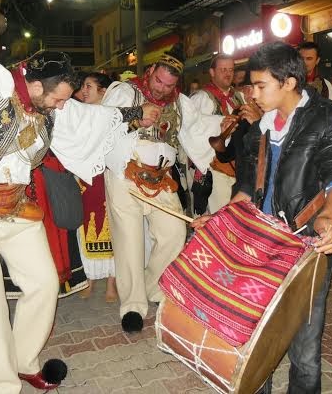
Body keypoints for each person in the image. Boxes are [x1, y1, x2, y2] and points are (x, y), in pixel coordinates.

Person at [0, 8, 160, 393]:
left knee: (44, 284)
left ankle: (23, 359)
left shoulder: (53, 108)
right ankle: (1, 382)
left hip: (16, 207)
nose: (63, 106)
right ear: (38, 83)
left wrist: (135, 113)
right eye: (59, 98)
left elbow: (89, 118)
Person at [193, 41, 332, 394]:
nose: (252, 94)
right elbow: (247, 184)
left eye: (260, 86)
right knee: (258, 341)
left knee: (304, 348)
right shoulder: (261, 126)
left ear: (288, 82)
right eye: (251, 86)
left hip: (306, 247)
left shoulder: (330, 120)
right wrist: (222, 218)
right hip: (260, 244)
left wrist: (329, 216)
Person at [101, 44, 225, 333]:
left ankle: (153, 289)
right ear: (151, 72)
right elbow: (103, 121)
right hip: (124, 175)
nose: (161, 89)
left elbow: (198, 126)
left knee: (174, 232)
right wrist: (135, 116)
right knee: (128, 241)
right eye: (158, 81)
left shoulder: (180, 101)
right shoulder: (125, 91)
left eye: (169, 85)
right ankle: (132, 306)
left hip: (162, 177)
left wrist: (224, 123)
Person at [190, 54, 259, 214]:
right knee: (220, 216)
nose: (228, 73)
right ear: (212, 72)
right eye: (223, 70)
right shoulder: (201, 98)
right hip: (214, 168)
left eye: (231, 70)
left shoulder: (240, 96)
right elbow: (194, 134)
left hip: (239, 169)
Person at [76, 72, 119, 302]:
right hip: (84, 178)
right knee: (86, 224)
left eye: (88, 86)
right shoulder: (78, 114)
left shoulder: (111, 115)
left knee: (110, 226)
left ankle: (112, 283)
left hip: (107, 176)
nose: (84, 90)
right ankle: (89, 279)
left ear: (103, 91)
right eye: (83, 85)